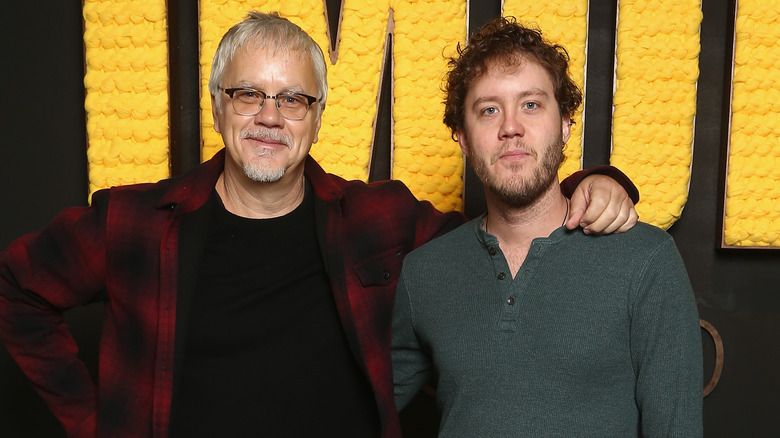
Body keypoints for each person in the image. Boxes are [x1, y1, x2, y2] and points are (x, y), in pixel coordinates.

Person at [0, 11, 638, 438]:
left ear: (319, 114)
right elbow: (15, 287)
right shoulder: (135, 222)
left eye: (294, 99)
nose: (270, 116)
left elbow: (505, 228)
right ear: (218, 105)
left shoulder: (377, 219)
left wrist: (593, 183)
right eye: (249, 94)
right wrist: (94, 424)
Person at [391, 16, 702, 437]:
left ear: (565, 124)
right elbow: (352, 408)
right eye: (488, 110)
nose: (511, 127)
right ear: (463, 138)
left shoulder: (645, 259)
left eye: (532, 105)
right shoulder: (424, 272)